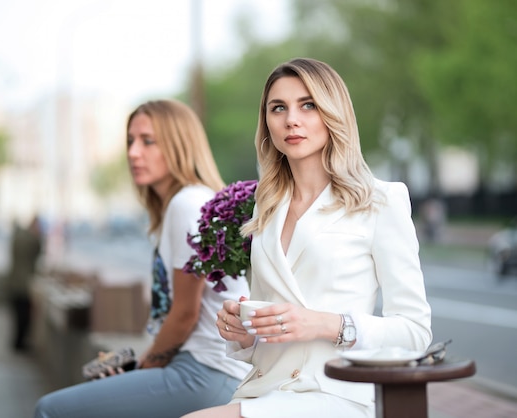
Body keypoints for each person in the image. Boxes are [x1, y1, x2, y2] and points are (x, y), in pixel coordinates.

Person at [183, 58, 432, 418]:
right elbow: (272, 335)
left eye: (308, 105)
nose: (291, 120)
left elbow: (415, 332)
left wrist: (324, 323)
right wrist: (242, 332)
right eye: (278, 108)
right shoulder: (265, 209)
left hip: (334, 393)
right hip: (263, 388)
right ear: (266, 122)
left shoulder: (380, 201)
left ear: (333, 112)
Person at [34, 99, 251, 418]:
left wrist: (142, 369)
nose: (134, 152)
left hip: (207, 372)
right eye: (131, 141)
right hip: (202, 367)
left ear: (178, 144)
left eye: (148, 141)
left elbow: (185, 314)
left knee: (50, 410)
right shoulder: (190, 202)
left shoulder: (188, 204)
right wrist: (141, 363)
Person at [7, 215, 43, 352]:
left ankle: (18, 342)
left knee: (19, 316)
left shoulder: (19, 237)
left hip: (16, 282)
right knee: (23, 317)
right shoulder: (28, 239)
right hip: (22, 284)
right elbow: (38, 250)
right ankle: (19, 344)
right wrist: (39, 236)